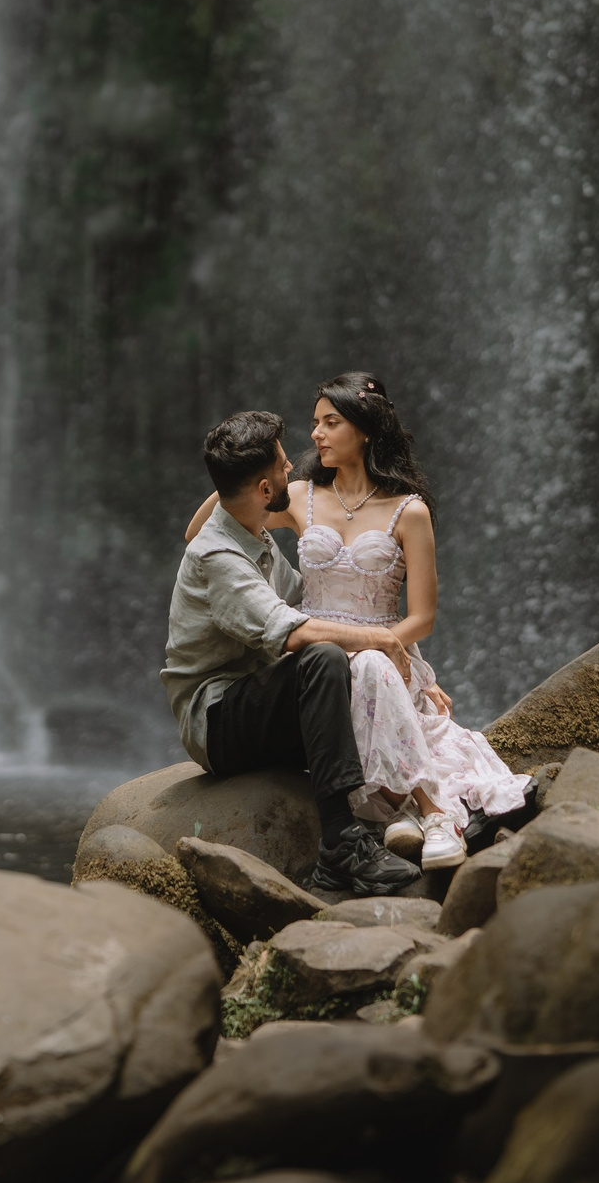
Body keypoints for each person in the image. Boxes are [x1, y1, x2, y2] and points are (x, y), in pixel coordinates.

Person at [183, 372, 531, 869]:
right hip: (317, 658)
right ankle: (429, 812)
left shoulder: (409, 512)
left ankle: (421, 813)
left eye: (331, 422)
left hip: (383, 650)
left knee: (370, 664)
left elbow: (423, 618)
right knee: (360, 662)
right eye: (314, 424)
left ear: (364, 429)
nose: (315, 435)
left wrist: (385, 645)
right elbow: (199, 532)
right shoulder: (300, 496)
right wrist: (239, 478)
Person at [160, 409, 422, 896]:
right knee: (323, 658)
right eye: (283, 466)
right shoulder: (218, 556)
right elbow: (295, 631)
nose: (294, 471)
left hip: (260, 699)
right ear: (264, 490)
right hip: (217, 719)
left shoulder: (252, 530)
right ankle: (340, 848)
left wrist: (402, 656)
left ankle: (419, 811)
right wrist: (384, 639)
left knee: (358, 668)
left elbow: (311, 600)